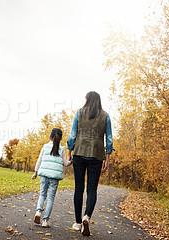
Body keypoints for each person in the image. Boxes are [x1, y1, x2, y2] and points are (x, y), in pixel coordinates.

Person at [67, 91, 114, 236]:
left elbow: (73, 134)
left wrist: (69, 150)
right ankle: (87, 216)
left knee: (78, 189)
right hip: (96, 154)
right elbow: (109, 139)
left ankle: (77, 222)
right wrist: (107, 158)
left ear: (87, 100)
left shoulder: (79, 112)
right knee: (92, 190)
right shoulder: (105, 116)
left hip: (79, 152)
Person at [32, 128, 72, 228]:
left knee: (42, 194)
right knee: (50, 198)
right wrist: (71, 161)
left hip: (44, 174)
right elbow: (65, 163)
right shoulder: (62, 149)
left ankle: (38, 212)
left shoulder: (45, 147)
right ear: (61, 138)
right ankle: (45, 220)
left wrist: (36, 172)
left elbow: (39, 160)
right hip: (55, 177)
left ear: (50, 137)